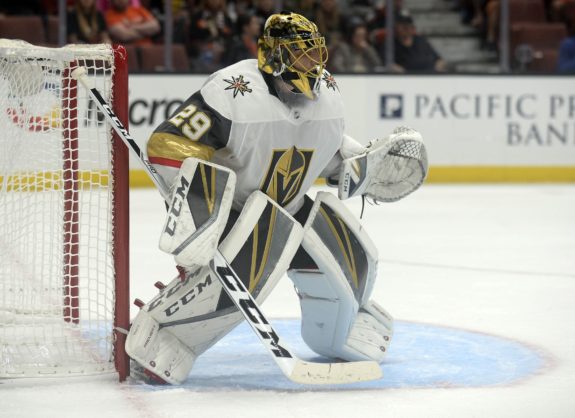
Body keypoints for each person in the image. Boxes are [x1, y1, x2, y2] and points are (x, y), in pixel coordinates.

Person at [125, 11, 428, 385]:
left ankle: (342, 327)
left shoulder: (328, 95)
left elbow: (328, 152)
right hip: (236, 211)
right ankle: (168, 332)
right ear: (275, 56)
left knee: (348, 252)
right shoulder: (232, 90)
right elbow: (169, 144)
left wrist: (360, 167)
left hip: (291, 205)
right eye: (301, 55)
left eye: (315, 54)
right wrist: (201, 207)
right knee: (260, 251)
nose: (312, 64)